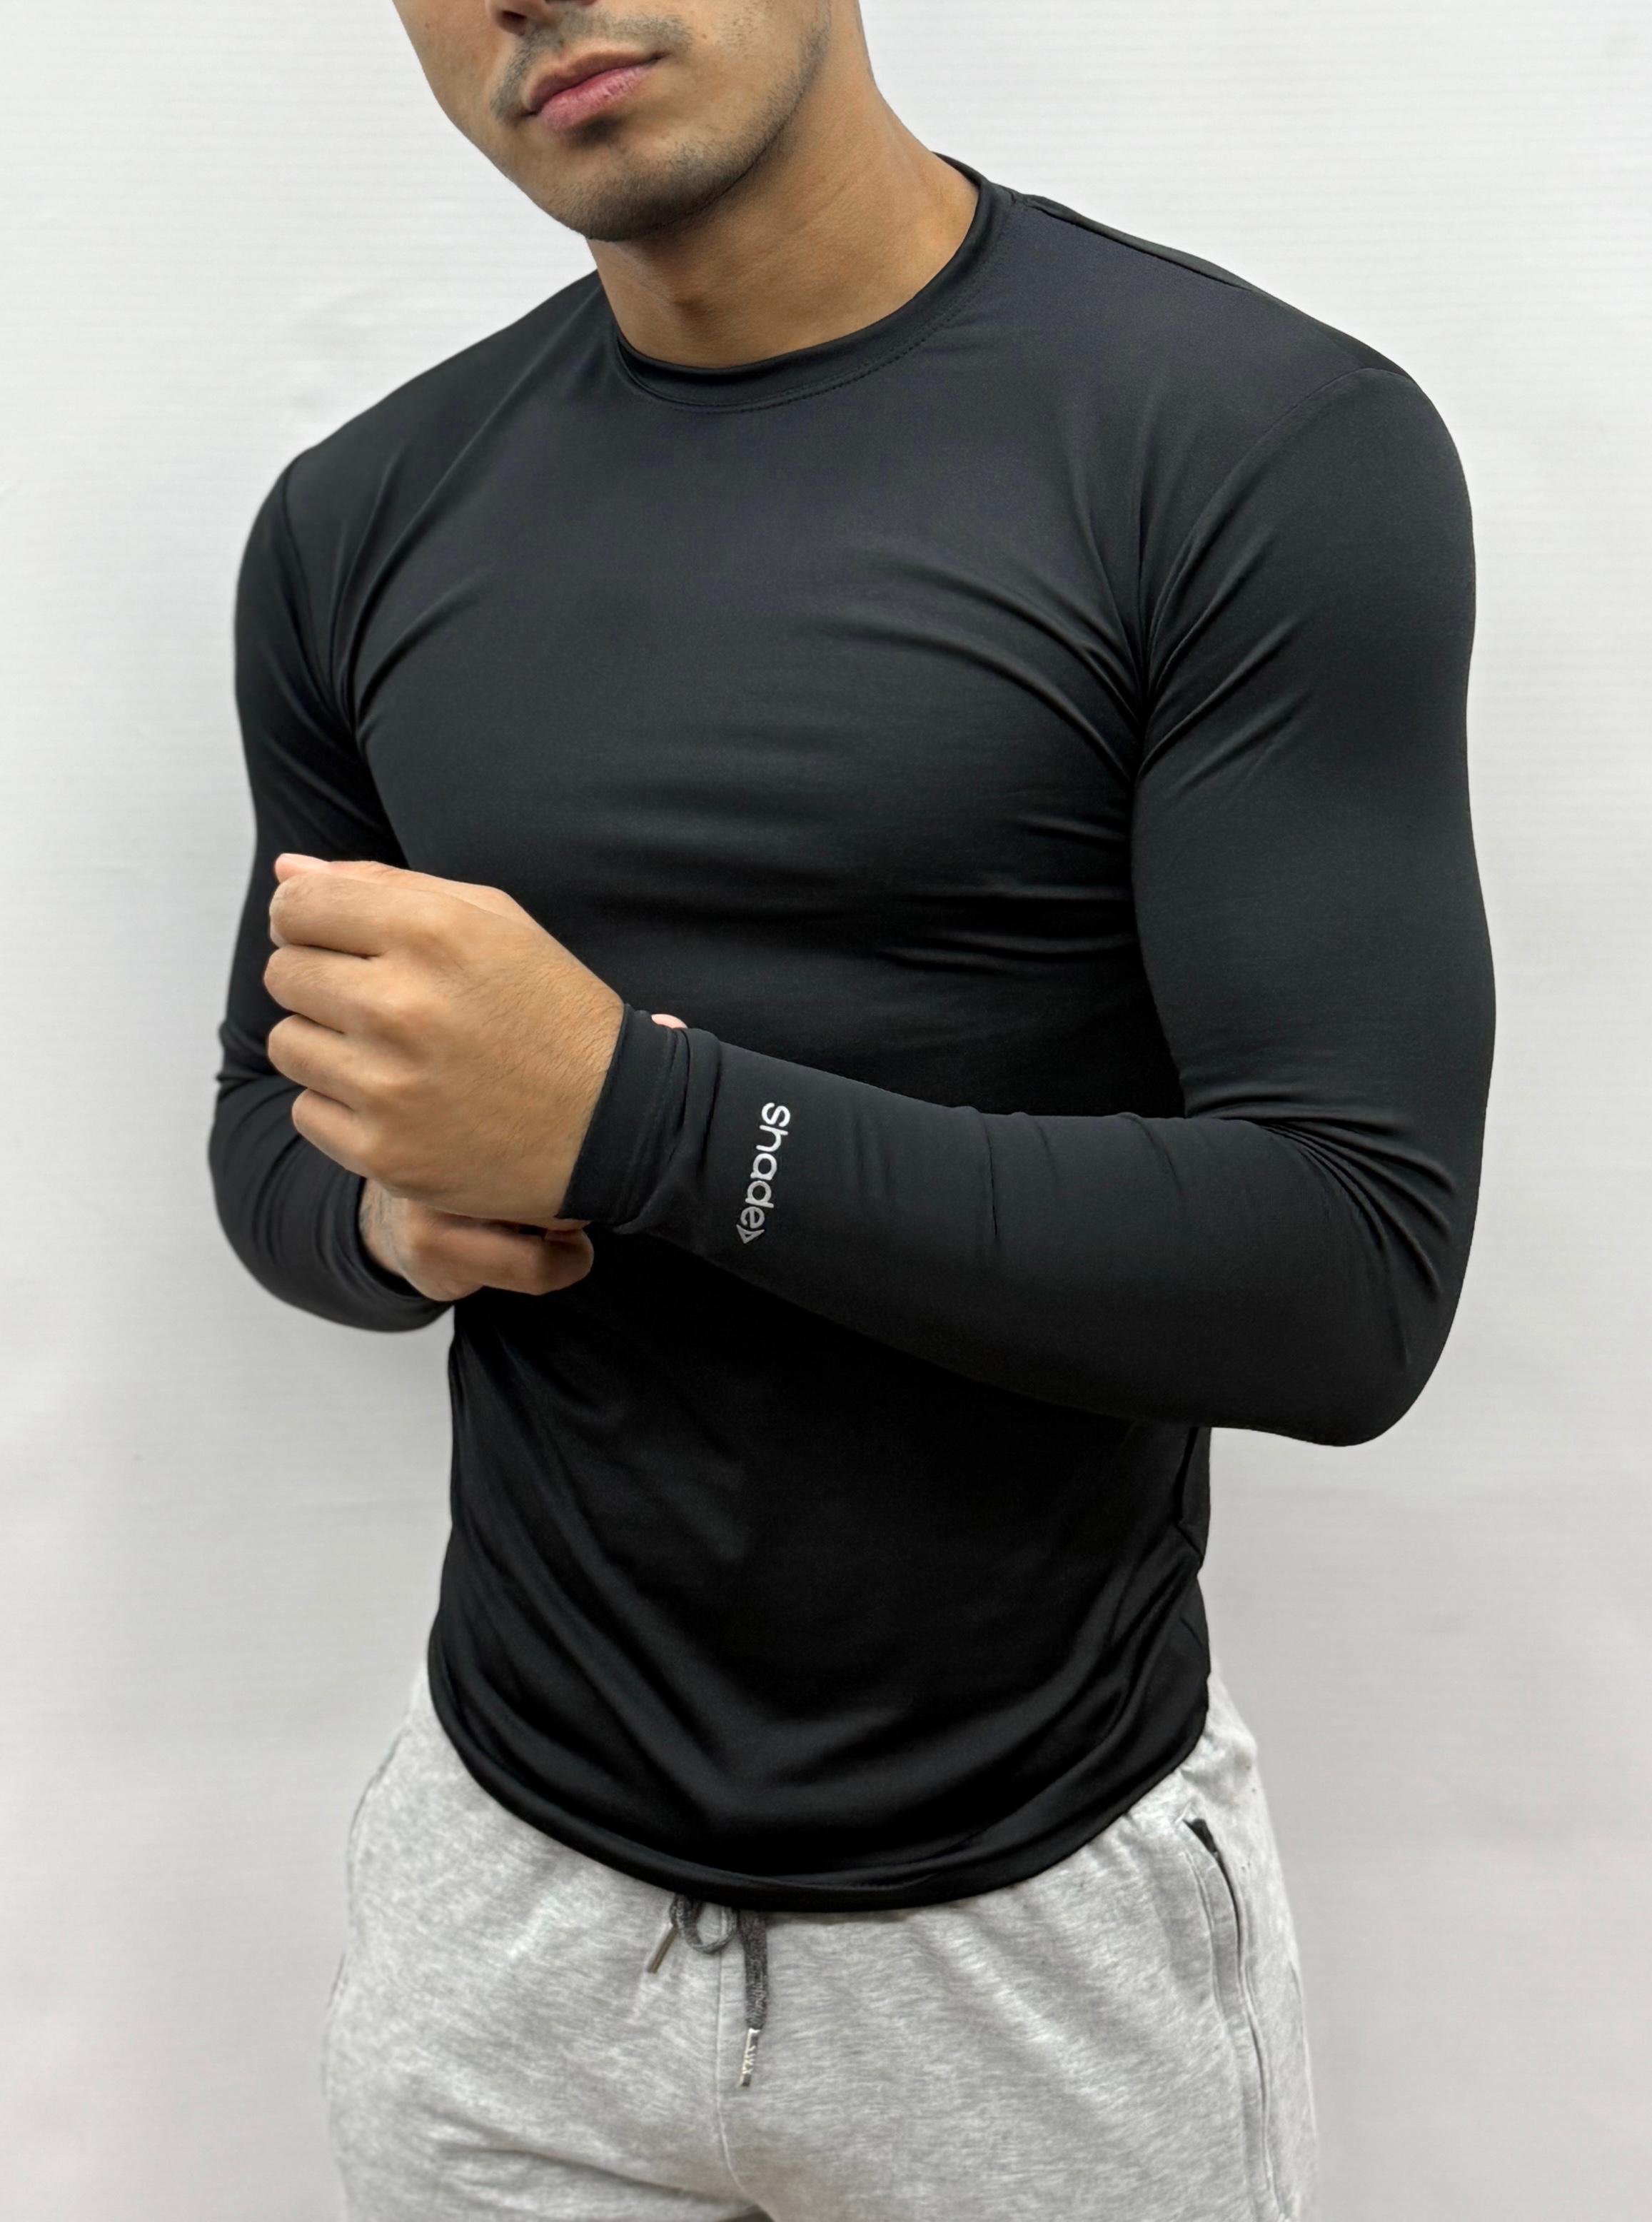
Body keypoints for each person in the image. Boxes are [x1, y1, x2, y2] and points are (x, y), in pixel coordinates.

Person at [208, 1, 1495, 2215]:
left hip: (1033, 1925)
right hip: (500, 1920)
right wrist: (395, 1215)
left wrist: (635, 1121)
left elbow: (1348, 1274)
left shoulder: (1248, 442)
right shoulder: (359, 519)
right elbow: (265, 1121)